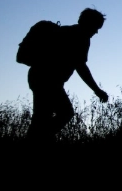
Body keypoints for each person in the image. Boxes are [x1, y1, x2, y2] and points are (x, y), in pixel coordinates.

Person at [27, 8, 109, 141]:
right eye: (96, 27)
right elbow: (81, 67)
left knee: (42, 117)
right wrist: (97, 90)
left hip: (39, 76)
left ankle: (38, 138)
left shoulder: (66, 30)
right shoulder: (80, 37)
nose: (96, 31)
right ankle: (39, 139)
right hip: (48, 80)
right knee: (64, 113)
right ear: (88, 23)